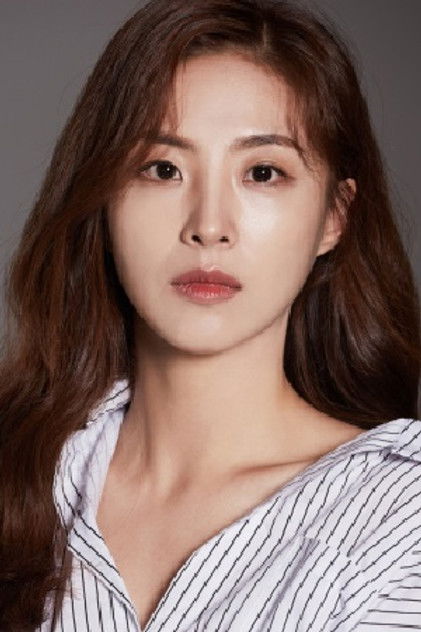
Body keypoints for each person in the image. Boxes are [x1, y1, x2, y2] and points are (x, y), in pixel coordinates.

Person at [0, 0, 420, 630]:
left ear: (334, 217)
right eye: (162, 169)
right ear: (103, 198)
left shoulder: (398, 521)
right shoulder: (20, 471)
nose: (209, 226)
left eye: (263, 172)